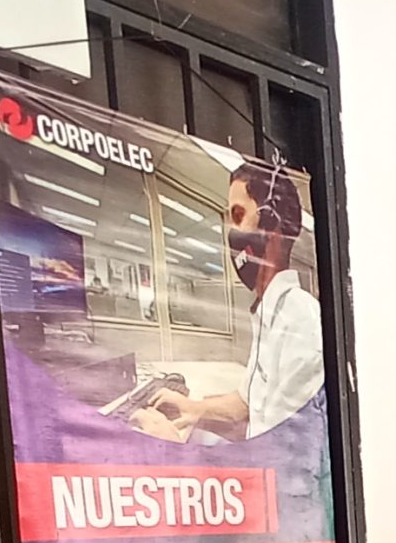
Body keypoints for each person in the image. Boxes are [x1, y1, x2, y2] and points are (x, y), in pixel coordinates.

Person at [131, 161, 326, 443]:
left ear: (271, 226)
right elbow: (247, 403)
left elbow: (287, 456)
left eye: (237, 216)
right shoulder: (270, 313)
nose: (230, 233)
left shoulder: (300, 322)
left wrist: (174, 451)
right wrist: (195, 408)